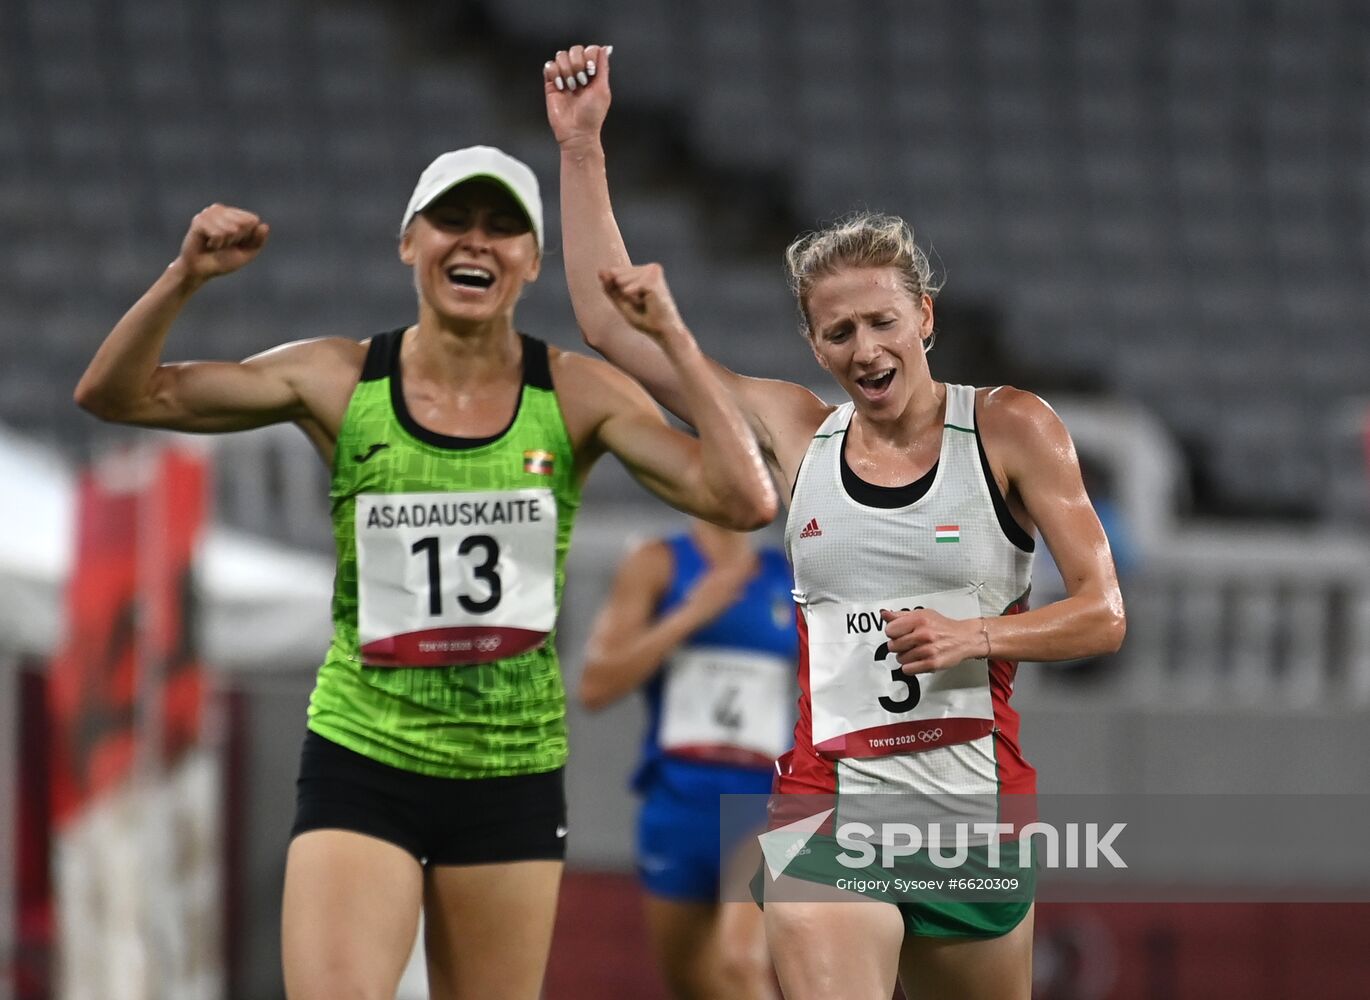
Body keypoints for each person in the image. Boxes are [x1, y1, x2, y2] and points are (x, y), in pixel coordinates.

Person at [74, 144, 777, 1000]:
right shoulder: (337, 377)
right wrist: (184, 277)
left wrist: (671, 336)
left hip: (509, 770)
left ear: (532, 263)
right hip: (366, 751)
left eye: (502, 228)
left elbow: (744, 500)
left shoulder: (578, 394)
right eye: (453, 221)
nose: (475, 242)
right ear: (409, 241)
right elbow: (117, 395)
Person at [545, 45, 1126, 1000]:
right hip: (830, 802)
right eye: (838, 332)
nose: (865, 348)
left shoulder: (1012, 428)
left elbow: (1104, 613)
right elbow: (612, 329)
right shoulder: (796, 431)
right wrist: (580, 148)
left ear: (924, 318)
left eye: (882, 322)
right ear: (813, 343)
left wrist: (972, 633)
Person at [579, 517, 795, 999]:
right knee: (695, 982)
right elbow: (596, 685)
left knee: (740, 960)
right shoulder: (658, 563)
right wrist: (691, 614)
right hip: (679, 799)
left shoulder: (791, 571)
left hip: (769, 805)